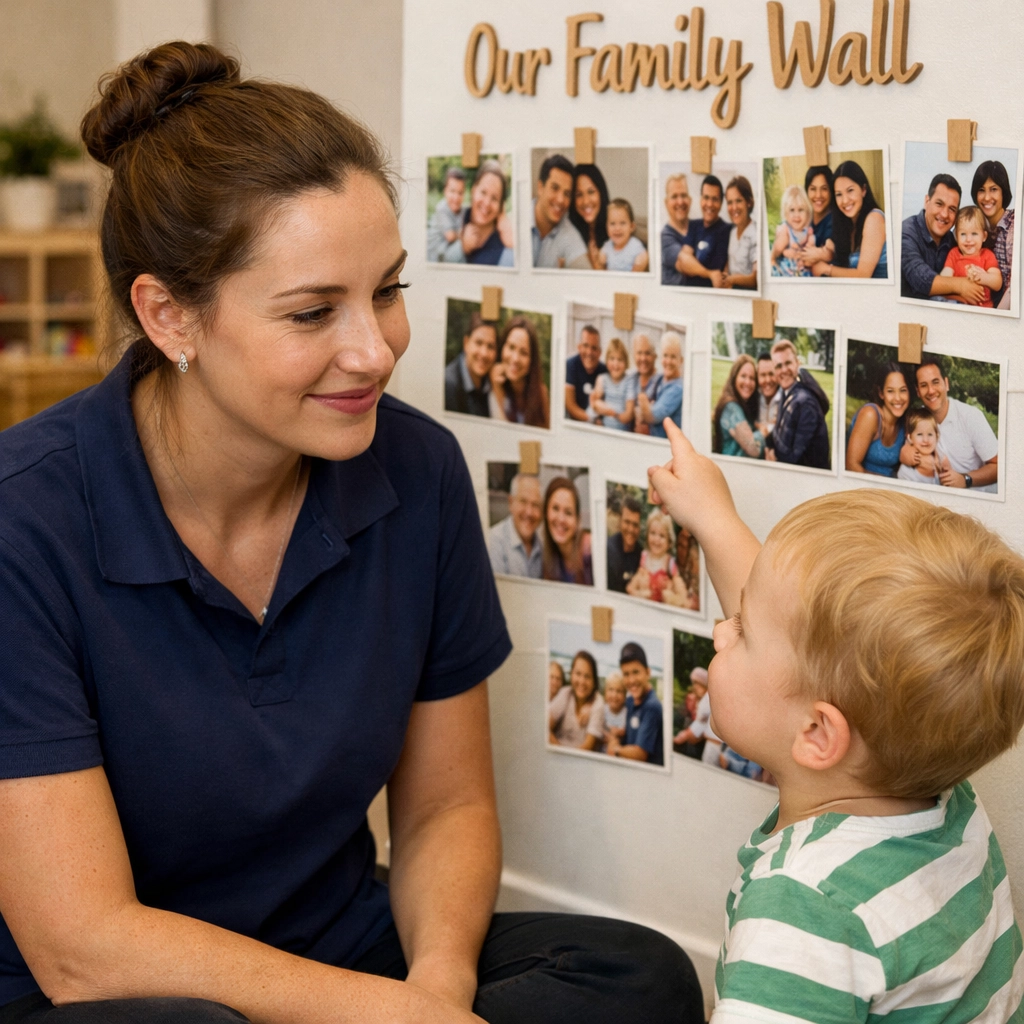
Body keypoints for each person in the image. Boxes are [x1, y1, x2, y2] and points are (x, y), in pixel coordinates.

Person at [0, 41, 704, 1024]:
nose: (373, 349)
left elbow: (444, 811)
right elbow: (83, 944)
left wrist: (435, 992)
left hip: (339, 954)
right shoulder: (23, 519)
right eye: (311, 312)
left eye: (386, 290)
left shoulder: (415, 471)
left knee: (637, 975)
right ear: (167, 316)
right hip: (110, 996)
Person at [648, 419, 1024, 1024]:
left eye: (740, 633)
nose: (722, 631)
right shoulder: (944, 804)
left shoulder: (803, 911)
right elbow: (795, 648)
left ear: (819, 734)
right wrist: (713, 517)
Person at [903, 356, 998, 493]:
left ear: (946, 384)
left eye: (935, 382)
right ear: (918, 391)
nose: (931, 390)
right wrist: (906, 452)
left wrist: (965, 480)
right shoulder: (918, 420)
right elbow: (909, 450)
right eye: (924, 385)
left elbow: (999, 466)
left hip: (979, 496)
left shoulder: (970, 416)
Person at [900, 174, 980, 302]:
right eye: (939, 204)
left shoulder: (953, 240)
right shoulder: (906, 232)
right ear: (927, 202)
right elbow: (920, 279)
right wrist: (961, 285)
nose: (944, 214)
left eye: (952, 209)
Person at [812, 160, 888, 279]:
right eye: (839, 194)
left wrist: (826, 269)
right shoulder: (849, 224)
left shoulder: (875, 219)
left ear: (863, 190)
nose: (845, 200)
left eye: (850, 190)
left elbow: (863, 274)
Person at [763, 340, 831, 469]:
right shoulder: (787, 390)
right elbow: (778, 429)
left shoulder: (804, 403)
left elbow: (795, 458)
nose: (784, 370)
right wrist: (769, 447)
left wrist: (773, 462)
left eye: (788, 363)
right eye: (778, 366)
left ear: (797, 363)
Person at [441, 161, 514, 267]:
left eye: (494, 198)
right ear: (473, 191)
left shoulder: (505, 251)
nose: (487, 203)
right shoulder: (452, 217)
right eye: (483, 192)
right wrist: (462, 247)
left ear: (501, 206)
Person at [845, 361, 911, 477]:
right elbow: (851, 465)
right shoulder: (870, 415)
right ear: (881, 393)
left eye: (903, 390)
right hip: (865, 488)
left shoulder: (904, 423)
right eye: (890, 391)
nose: (898, 398)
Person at [606, 644, 664, 767]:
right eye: (626, 674)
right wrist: (616, 734)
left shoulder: (652, 706)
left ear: (648, 673)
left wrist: (615, 749)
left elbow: (640, 754)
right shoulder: (630, 701)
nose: (631, 680)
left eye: (636, 672)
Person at [488, 316, 550, 428]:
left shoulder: (541, 393)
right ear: (502, 347)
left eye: (524, 353)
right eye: (511, 347)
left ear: (532, 360)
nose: (515, 359)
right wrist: (497, 389)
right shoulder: (490, 383)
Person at [531, 154, 590, 270]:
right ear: (540, 188)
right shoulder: (514, 222)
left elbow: (587, 280)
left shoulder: (570, 235)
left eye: (567, 194)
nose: (561, 200)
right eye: (555, 188)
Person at [973, 160, 1015, 309]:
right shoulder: (972, 224)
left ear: (1003, 191)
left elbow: (1015, 284)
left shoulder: (1014, 225)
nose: (986, 197)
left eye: (993, 189)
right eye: (981, 190)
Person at [940, 205, 1002, 307]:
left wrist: (983, 277)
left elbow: (997, 283)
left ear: (984, 236)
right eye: (963, 234)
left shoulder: (987, 255)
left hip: (983, 309)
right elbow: (944, 279)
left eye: (974, 234)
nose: (968, 239)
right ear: (956, 236)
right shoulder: (954, 254)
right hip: (957, 304)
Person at [676, 175, 731, 287]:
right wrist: (709, 274)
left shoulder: (728, 231)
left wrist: (693, 265)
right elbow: (682, 261)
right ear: (701, 199)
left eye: (715, 199)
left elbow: (722, 274)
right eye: (706, 198)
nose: (709, 204)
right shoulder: (693, 226)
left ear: (721, 203)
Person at [488, 473, 543, 578]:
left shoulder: (542, 546)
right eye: (523, 501)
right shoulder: (493, 542)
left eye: (535, 505)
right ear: (511, 503)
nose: (529, 512)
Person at [547, 651, 605, 750]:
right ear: (571, 674)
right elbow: (545, 727)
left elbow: (587, 747)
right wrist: (559, 751)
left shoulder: (598, 703)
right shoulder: (565, 692)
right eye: (578, 674)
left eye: (587, 676)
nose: (582, 681)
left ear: (594, 682)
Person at [541, 476, 593, 585]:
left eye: (568, 513)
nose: (561, 519)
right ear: (546, 512)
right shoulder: (548, 558)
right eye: (555, 508)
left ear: (578, 520)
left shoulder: (590, 551)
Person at [444, 312, 498, 417]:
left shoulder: (491, 384)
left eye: (490, 346)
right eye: (478, 343)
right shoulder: (448, 384)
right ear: (466, 343)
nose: (484, 353)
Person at [713, 354, 764, 459]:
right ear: (734, 377)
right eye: (743, 376)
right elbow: (753, 448)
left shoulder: (742, 405)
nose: (748, 382)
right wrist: (764, 431)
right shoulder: (731, 408)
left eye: (752, 378)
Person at [636, 332, 683, 439]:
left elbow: (651, 416)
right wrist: (644, 409)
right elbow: (639, 411)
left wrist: (643, 402)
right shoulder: (659, 378)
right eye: (665, 355)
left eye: (673, 357)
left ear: (681, 361)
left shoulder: (678, 388)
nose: (668, 361)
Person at [626, 509, 678, 604]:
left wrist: (670, 594)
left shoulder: (669, 562)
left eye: (662, 536)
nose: (656, 540)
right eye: (653, 533)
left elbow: (680, 594)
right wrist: (640, 594)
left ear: (669, 541)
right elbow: (631, 588)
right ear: (647, 535)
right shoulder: (644, 557)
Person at [568, 162, 610, 270]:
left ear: (601, 193)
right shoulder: (568, 233)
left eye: (591, 192)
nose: (586, 201)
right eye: (579, 195)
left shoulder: (616, 227)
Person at [720, 176, 758, 290]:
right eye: (730, 202)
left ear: (749, 202)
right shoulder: (732, 232)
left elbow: (755, 278)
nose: (734, 207)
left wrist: (731, 279)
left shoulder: (755, 234)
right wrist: (724, 276)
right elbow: (729, 263)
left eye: (738, 200)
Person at [588, 337, 634, 430]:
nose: (615, 364)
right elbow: (594, 405)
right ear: (607, 360)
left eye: (620, 359)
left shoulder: (629, 380)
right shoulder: (603, 379)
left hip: (622, 430)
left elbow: (628, 416)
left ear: (626, 362)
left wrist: (613, 413)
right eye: (612, 358)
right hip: (604, 428)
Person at [564, 324, 606, 422]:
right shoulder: (570, 365)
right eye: (585, 346)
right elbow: (570, 406)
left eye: (594, 348)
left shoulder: (605, 371)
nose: (589, 352)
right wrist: (591, 420)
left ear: (600, 352)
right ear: (579, 347)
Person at [770, 184, 814, 277]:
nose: (796, 215)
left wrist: (807, 250)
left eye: (801, 210)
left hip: (803, 271)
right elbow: (779, 249)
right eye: (792, 210)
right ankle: (771, 261)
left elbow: (811, 251)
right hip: (786, 269)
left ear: (807, 212)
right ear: (786, 212)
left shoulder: (808, 231)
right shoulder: (786, 230)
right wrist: (784, 253)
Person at [799, 164, 834, 272]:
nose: (818, 195)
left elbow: (830, 254)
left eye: (824, 189)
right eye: (813, 189)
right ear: (806, 191)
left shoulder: (835, 220)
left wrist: (823, 254)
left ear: (831, 191)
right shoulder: (803, 217)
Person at [599, 198, 648, 272]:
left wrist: (641, 262)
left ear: (632, 227)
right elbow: (602, 269)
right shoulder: (607, 247)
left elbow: (643, 258)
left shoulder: (635, 246)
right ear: (607, 227)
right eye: (612, 223)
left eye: (622, 223)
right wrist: (601, 260)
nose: (617, 228)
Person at [660, 173, 693, 286]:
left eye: (684, 195)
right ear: (666, 203)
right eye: (674, 197)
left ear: (690, 200)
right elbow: (685, 265)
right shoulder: (665, 236)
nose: (680, 202)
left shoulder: (698, 227)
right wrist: (710, 273)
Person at [426, 165, 464, 262]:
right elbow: (450, 236)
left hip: (447, 250)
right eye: (452, 191)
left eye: (460, 193)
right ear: (445, 191)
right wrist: (465, 233)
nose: (456, 197)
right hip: (435, 256)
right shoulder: (441, 208)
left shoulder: (461, 210)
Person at [625, 334, 661, 435]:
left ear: (654, 356)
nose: (643, 358)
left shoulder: (661, 382)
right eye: (639, 353)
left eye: (647, 353)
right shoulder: (629, 378)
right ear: (633, 355)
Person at [606, 494, 642, 593]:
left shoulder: (641, 554)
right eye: (627, 522)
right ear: (620, 521)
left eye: (635, 525)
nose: (631, 529)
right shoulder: (608, 550)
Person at [896, 408, 940, 486]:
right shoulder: (906, 472)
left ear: (937, 436)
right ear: (910, 438)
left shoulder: (939, 464)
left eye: (930, 434)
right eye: (919, 434)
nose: (925, 440)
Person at [663, 526, 701, 611]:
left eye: (686, 546)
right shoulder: (670, 565)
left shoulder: (697, 570)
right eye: (680, 545)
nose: (682, 550)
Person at [673, 667, 708, 759]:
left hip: (700, 745)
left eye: (698, 684)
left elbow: (701, 725)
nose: (695, 687)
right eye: (694, 683)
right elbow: (678, 717)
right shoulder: (690, 700)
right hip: (689, 739)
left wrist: (684, 736)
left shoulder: (708, 702)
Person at [597, 672, 628, 751]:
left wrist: (619, 732)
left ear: (625, 695)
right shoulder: (601, 710)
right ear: (605, 692)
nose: (614, 695)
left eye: (619, 691)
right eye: (610, 690)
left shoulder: (627, 713)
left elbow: (626, 732)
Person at [755, 353, 780, 435]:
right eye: (763, 375)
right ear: (757, 377)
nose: (768, 380)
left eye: (771, 374)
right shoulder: (752, 398)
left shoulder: (786, 400)